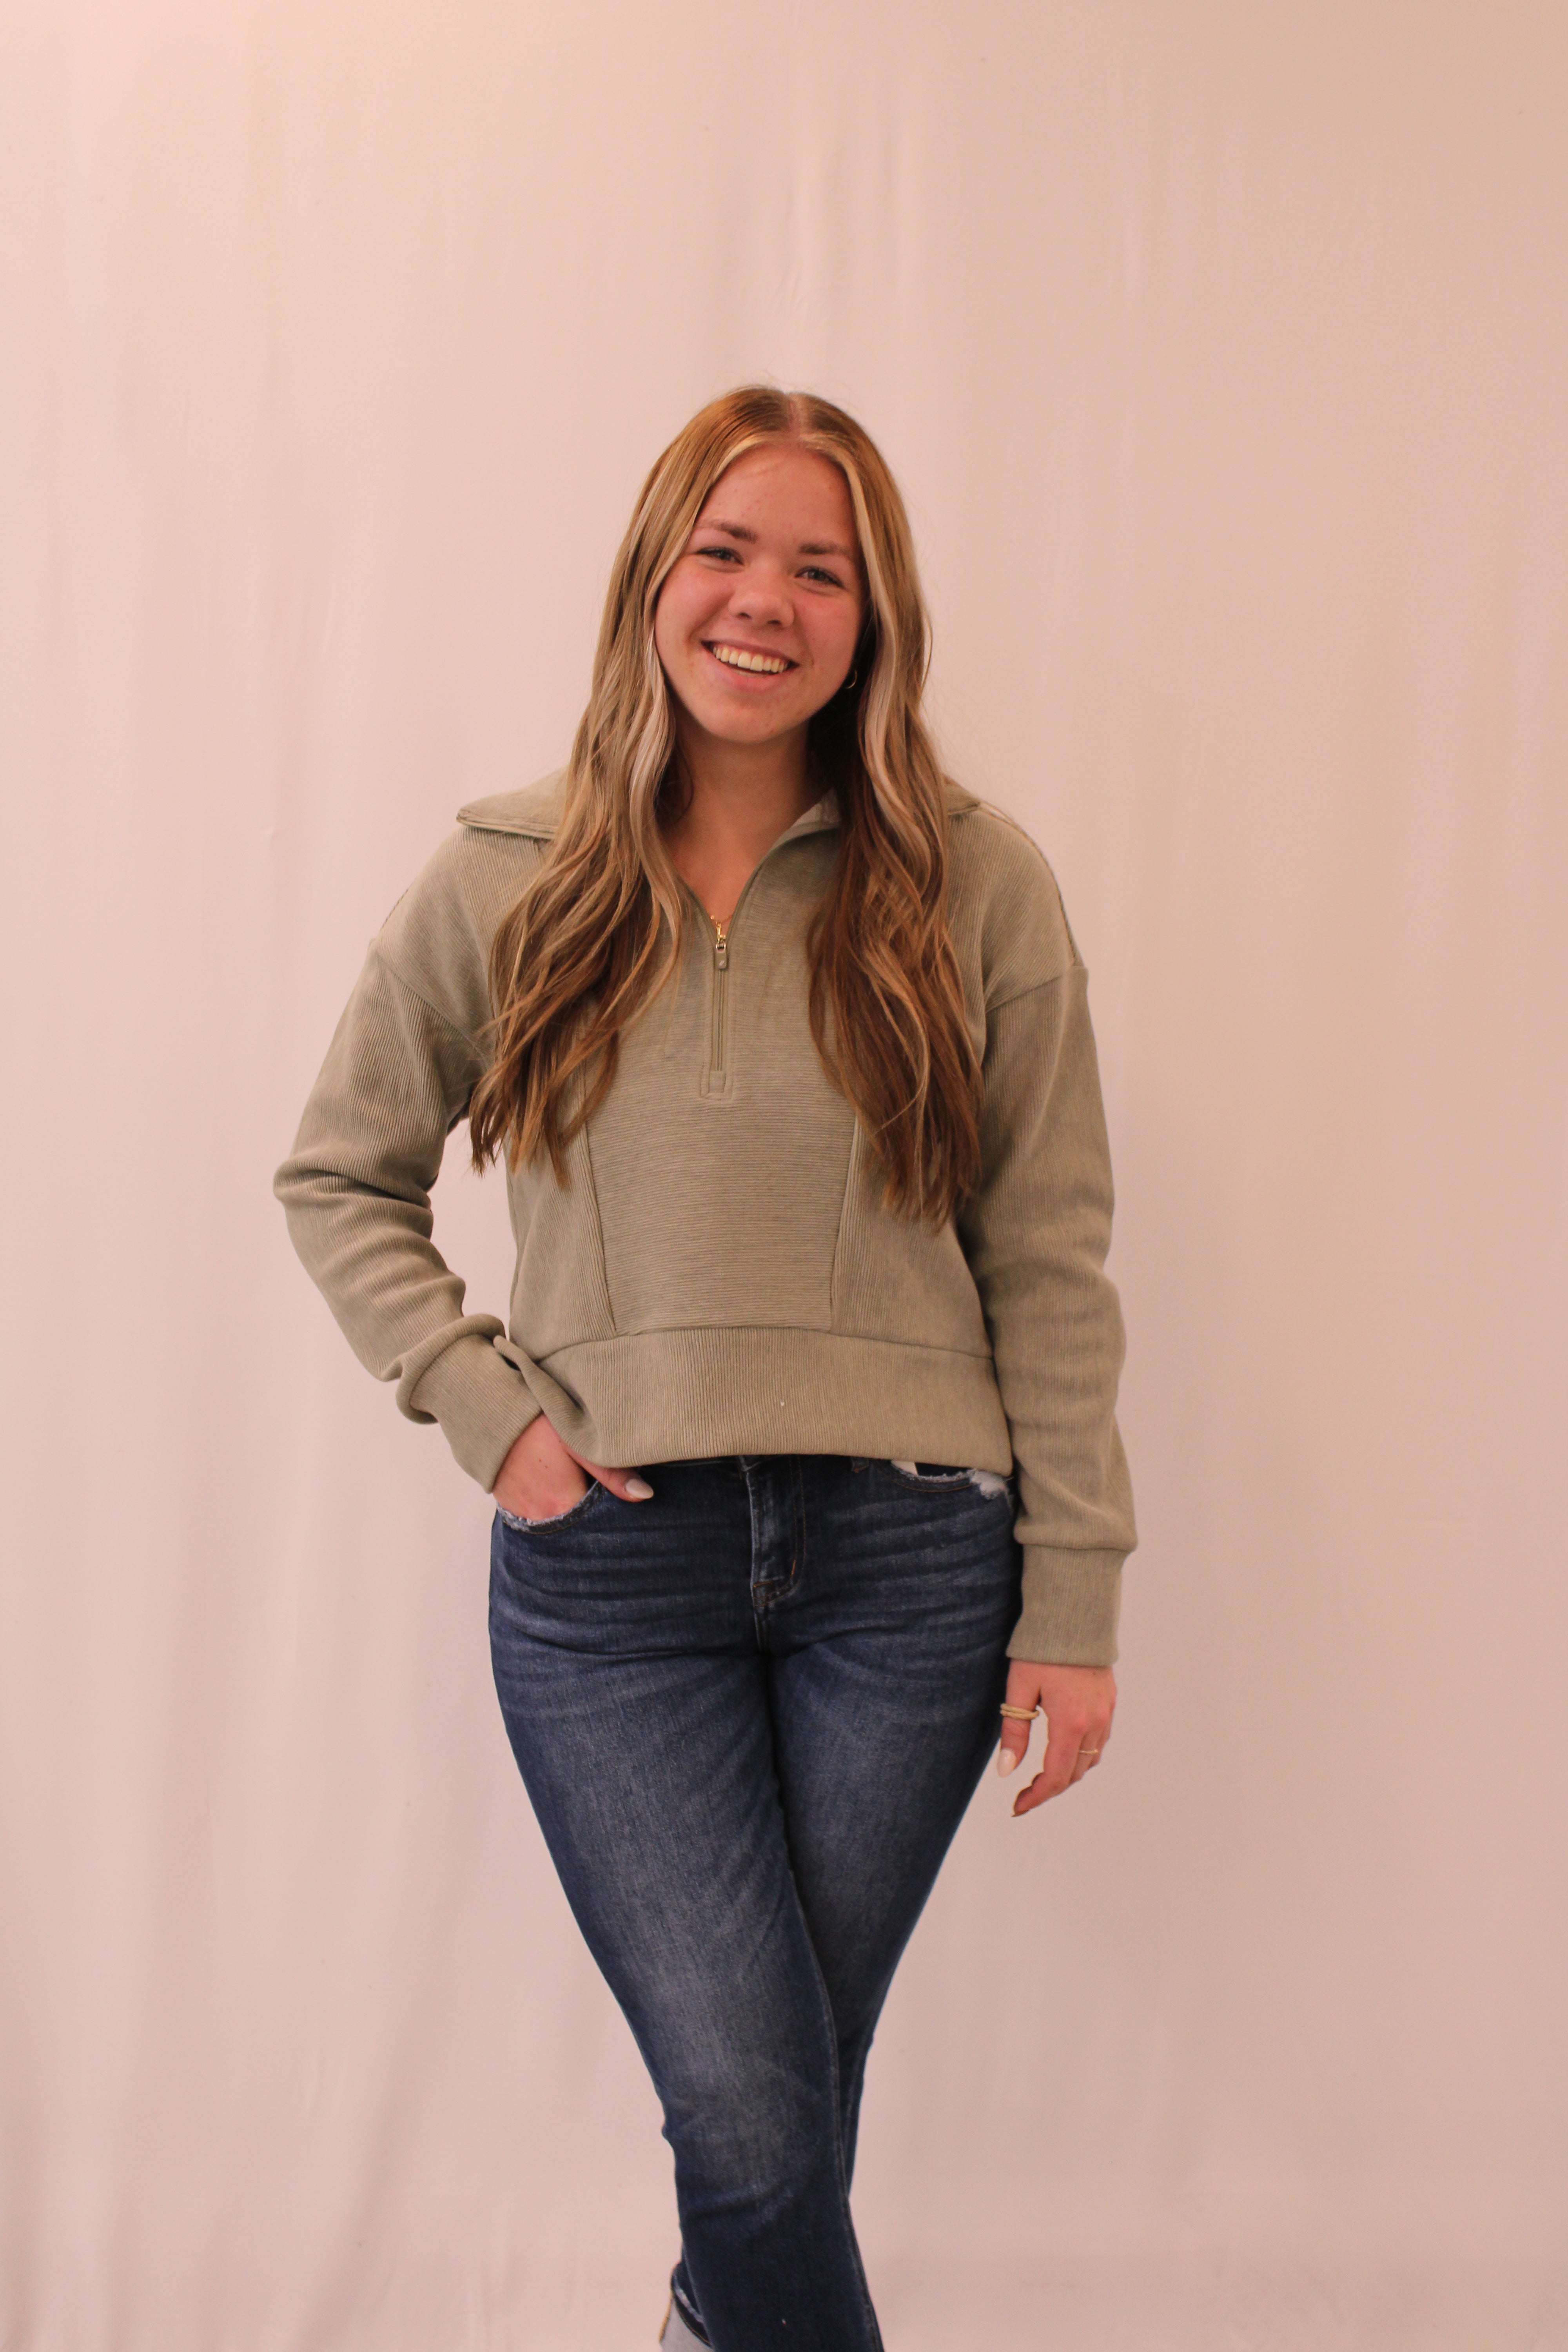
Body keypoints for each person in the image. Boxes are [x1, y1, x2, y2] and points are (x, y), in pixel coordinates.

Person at [274, 384, 1136, 2352]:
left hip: (913, 1569)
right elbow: (337, 1175)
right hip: (611, 1576)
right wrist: (493, 1418)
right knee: (758, 2120)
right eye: (726, 551)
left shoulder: (977, 884)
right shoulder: (506, 871)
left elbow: (1051, 1257)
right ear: (652, 577)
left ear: (873, 618)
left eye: (821, 570)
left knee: (776, 2117)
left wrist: (1074, 1596)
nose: (765, 602)